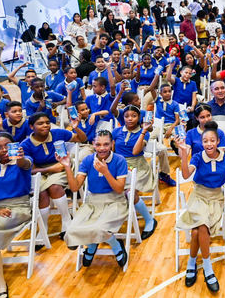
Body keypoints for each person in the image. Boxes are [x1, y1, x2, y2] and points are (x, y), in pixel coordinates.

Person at [175, 121, 225, 291]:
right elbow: (185, 174)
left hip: (216, 198)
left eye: (212, 141)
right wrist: (184, 154)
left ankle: (192, 263)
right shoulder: (198, 157)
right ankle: (207, 267)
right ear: (202, 143)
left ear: (218, 141)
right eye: (205, 141)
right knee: (202, 225)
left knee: (197, 230)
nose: (209, 144)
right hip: (198, 196)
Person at [57, 131, 129, 267]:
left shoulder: (119, 160)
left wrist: (106, 172)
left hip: (115, 201)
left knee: (100, 227)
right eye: (98, 144)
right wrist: (67, 166)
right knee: (71, 230)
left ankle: (114, 244)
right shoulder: (88, 160)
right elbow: (74, 187)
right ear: (93, 145)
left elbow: (119, 189)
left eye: (106, 144)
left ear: (112, 144)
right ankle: (92, 244)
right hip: (92, 202)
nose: (102, 148)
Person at [21, 112, 86, 238]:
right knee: (42, 192)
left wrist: (76, 127)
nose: (45, 125)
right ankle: (43, 226)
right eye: (40, 123)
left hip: (62, 165)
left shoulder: (58, 133)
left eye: (47, 122)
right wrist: (51, 169)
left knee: (54, 187)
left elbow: (81, 139)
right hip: (41, 171)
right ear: (31, 127)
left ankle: (66, 220)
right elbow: (30, 170)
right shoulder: (26, 144)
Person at [0, 132, 32, 298]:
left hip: (18, 208)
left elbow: (25, 164)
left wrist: (19, 157)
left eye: (7, 145)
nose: (4, 149)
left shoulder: (23, 160)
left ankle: (1, 286)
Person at [111, 105, 157, 239]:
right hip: (119, 165)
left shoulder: (145, 133)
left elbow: (135, 152)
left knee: (129, 192)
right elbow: (113, 151)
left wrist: (143, 131)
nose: (130, 119)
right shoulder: (116, 131)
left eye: (133, 116)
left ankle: (149, 219)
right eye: (126, 116)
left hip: (138, 166)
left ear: (139, 118)